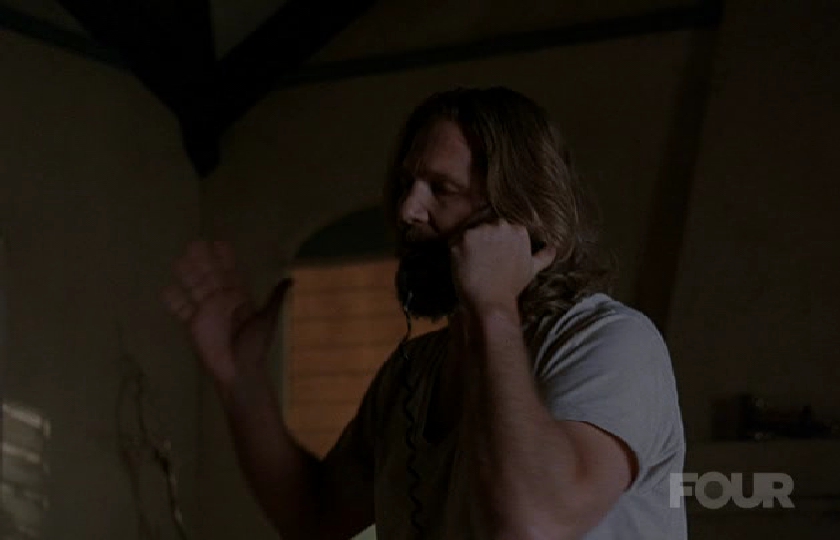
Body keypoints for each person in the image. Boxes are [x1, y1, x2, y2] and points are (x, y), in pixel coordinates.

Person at [163, 87, 686, 540]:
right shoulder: (412, 372)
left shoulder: (610, 344)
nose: (407, 210)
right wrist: (242, 380)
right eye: (407, 185)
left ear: (520, 216)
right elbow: (314, 519)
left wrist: (494, 307)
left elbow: (534, 525)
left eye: (442, 189)